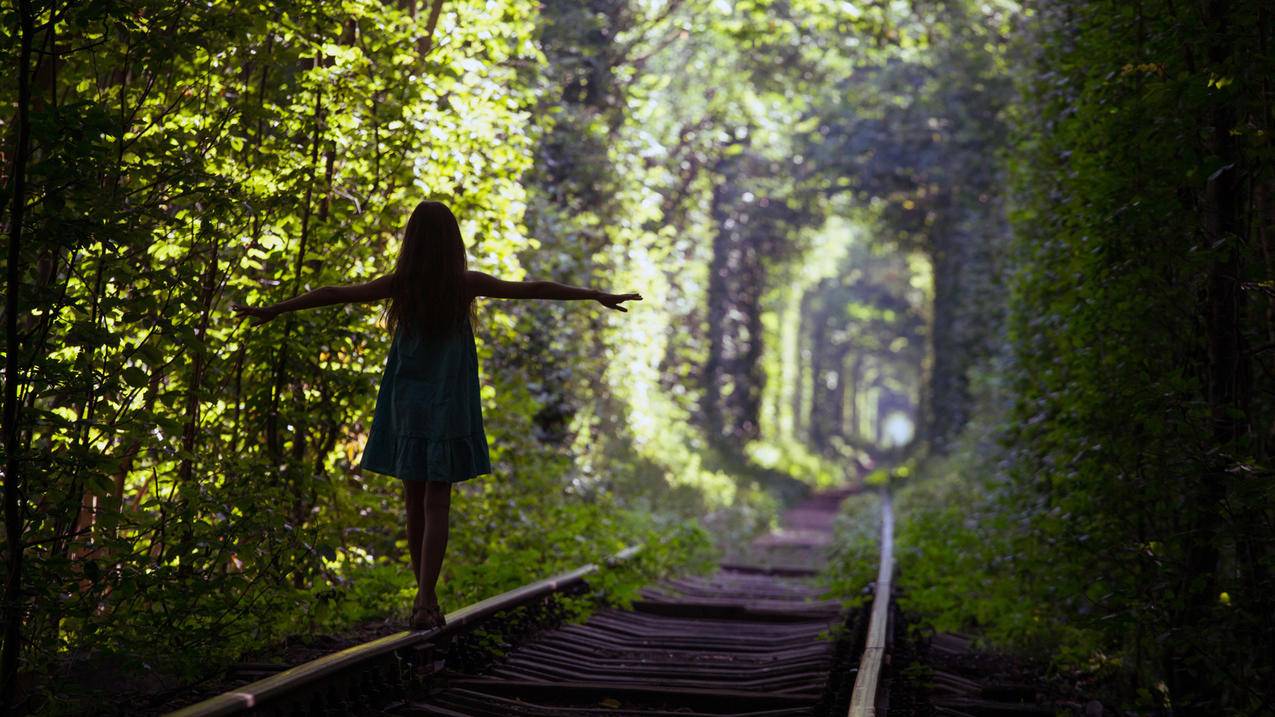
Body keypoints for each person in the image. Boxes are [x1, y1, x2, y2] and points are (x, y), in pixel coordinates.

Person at [232, 200, 641, 630]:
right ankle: (427, 598)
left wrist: (275, 309)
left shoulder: (401, 285)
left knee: (413, 501)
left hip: (406, 400)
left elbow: (334, 294)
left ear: (412, 242)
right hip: (448, 401)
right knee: (437, 499)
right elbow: (533, 286)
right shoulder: (464, 285)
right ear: (453, 243)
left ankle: (423, 599)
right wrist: (595, 295)